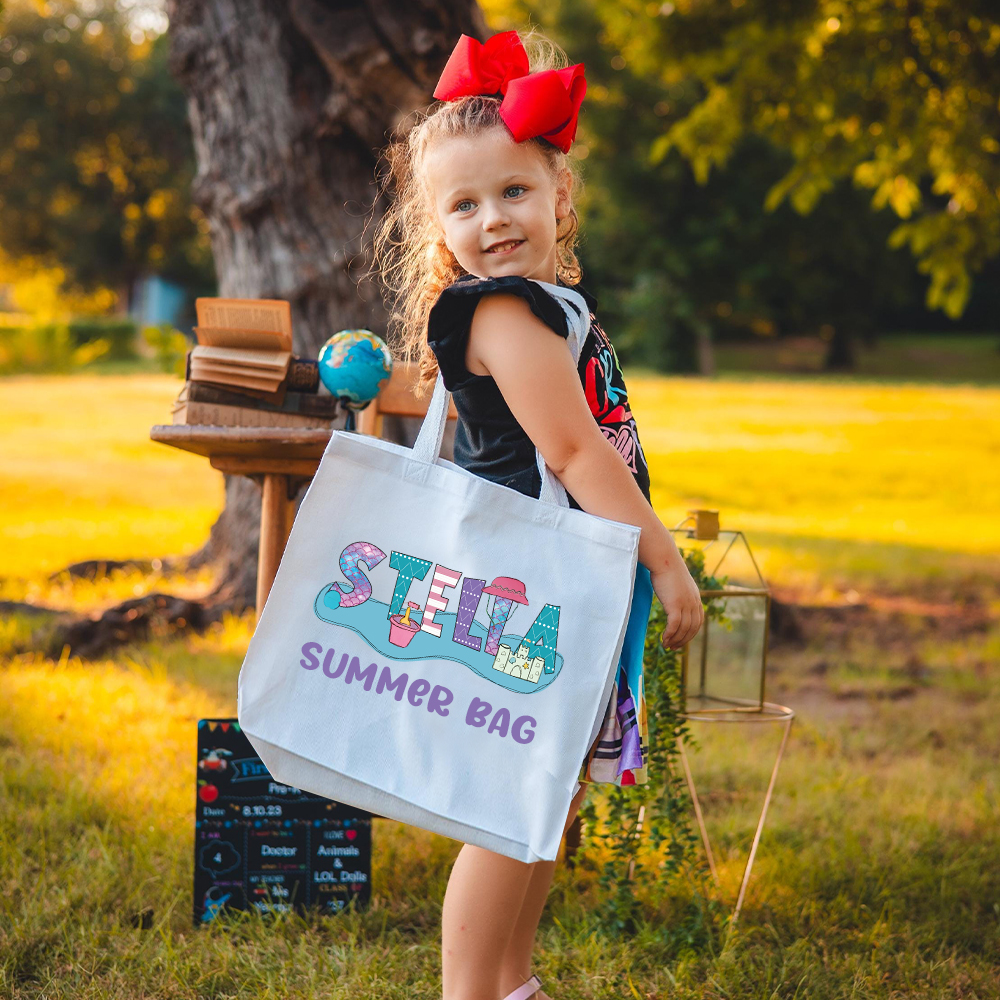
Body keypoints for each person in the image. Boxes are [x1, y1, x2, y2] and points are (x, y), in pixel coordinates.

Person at [370, 27, 704, 1000]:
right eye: (464, 205)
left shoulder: (550, 303)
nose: (493, 219)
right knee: (507, 804)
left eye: (513, 192)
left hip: (559, 584)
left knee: (542, 802)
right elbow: (570, 451)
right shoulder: (503, 313)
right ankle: (470, 989)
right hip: (521, 592)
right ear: (440, 228)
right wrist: (665, 560)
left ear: (559, 195)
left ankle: (512, 984)